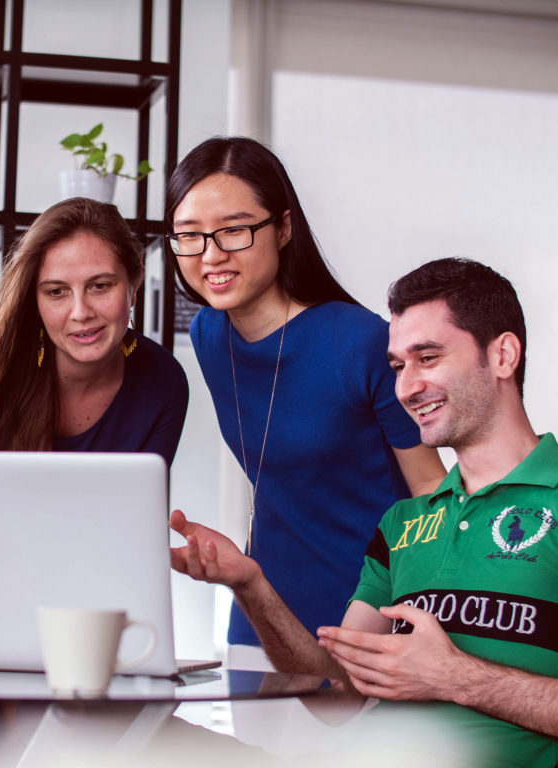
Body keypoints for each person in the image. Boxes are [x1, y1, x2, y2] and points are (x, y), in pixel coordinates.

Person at [170, 258, 558, 767]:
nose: (406, 388)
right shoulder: (402, 523)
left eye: (428, 357)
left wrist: (456, 676)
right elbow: (340, 695)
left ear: (503, 355)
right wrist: (249, 584)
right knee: (143, 740)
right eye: (399, 366)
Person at [164, 136, 445, 662]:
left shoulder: (358, 342)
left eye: (235, 230)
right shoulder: (208, 334)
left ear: (284, 227)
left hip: (369, 619)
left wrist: (421, 621)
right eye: (190, 236)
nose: (211, 255)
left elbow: (430, 490)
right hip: (260, 616)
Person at [0, 197, 188, 467]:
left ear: (133, 284)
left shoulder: (165, 381)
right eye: (56, 292)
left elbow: (141, 505)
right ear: (35, 300)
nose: (80, 312)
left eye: (100, 285)